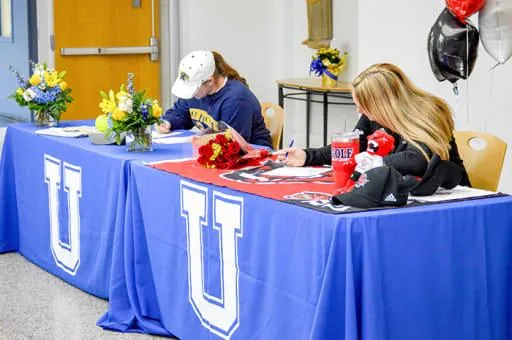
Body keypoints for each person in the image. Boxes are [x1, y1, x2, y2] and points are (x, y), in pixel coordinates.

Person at [280, 63, 470, 186]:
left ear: (381, 104)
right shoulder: (374, 117)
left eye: (362, 106)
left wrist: (375, 162)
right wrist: (307, 156)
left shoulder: (430, 111)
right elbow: (351, 146)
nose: (359, 112)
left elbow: (419, 159)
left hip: (451, 196)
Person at [156, 50, 272, 148]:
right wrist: (168, 122)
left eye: (193, 89)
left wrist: (200, 140)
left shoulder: (236, 99)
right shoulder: (197, 93)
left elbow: (232, 142)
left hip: (251, 155)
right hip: (215, 150)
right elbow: (179, 112)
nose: (191, 94)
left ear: (210, 81)